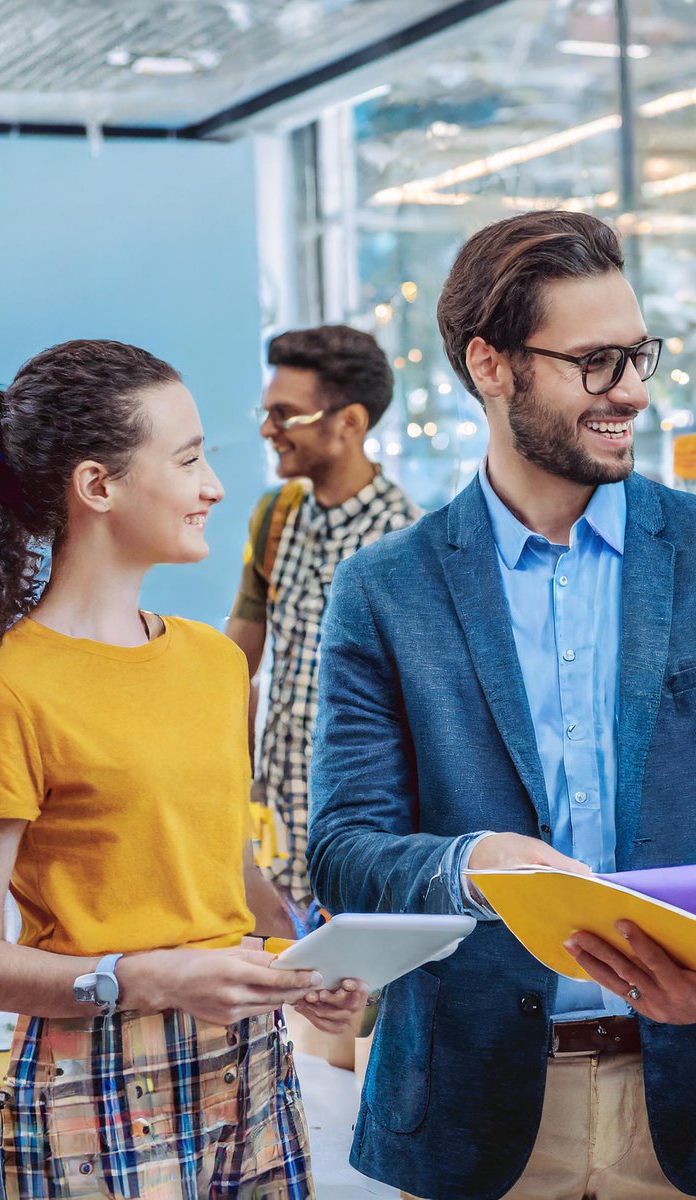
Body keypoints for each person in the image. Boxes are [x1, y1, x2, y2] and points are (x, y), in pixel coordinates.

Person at [307, 211, 696, 1200]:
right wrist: (474, 863)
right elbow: (342, 850)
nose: (631, 390)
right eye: (595, 361)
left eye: (637, 355)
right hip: (473, 1116)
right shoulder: (386, 589)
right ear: (491, 366)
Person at [0, 339, 365, 1200]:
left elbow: (225, 866)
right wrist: (144, 973)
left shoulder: (217, 665)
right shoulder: (5, 699)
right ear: (98, 486)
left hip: (249, 1062)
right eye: (187, 460)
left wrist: (297, 965)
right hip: (94, 1075)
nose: (214, 488)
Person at [225, 325, 419, 917]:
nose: (267, 431)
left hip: (367, 856)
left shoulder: (410, 545)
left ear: (349, 423)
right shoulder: (276, 516)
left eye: (285, 415)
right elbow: (237, 660)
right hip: (279, 847)